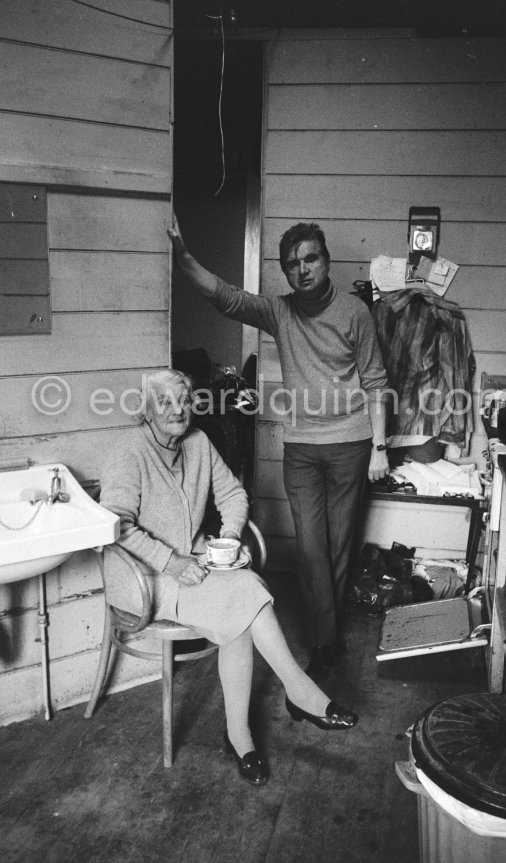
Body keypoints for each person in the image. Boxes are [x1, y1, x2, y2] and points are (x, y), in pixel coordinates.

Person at [99, 369, 358, 786]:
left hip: (196, 562)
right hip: (145, 576)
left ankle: (242, 736)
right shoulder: (128, 451)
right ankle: (299, 693)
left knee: (239, 607)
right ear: (145, 410)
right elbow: (117, 525)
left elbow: (234, 495)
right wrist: (171, 562)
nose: (177, 410)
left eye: (183, 400)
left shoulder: (198, 443)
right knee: (244, 594)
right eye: (164, 402)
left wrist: (230, 539)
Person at [168, 220, 389, 677]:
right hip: (302, 448)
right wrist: (184, 257)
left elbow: (375, 382)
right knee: (311, 547)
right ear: (286, 273)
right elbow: (227, 297)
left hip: (352, 443)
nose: (302, 269)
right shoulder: (279, 312)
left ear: (326, 261)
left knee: (339, 543)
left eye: (310, 259)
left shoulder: (355, 313)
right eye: (293, 264)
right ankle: (326, 640)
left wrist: (382, 447)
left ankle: (325, 637)